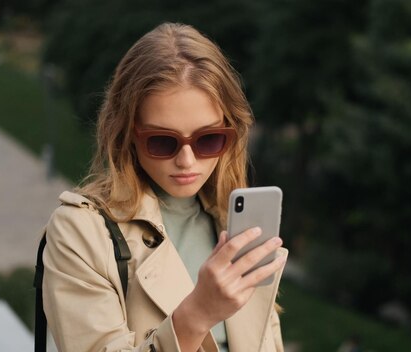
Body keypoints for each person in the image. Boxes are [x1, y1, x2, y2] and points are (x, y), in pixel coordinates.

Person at [42, 22, 288, 352]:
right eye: (162, 141)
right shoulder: (81, 233)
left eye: (208, 139)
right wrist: (196, 314)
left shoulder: (234, 224)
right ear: (127, 134)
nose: (187, 161)